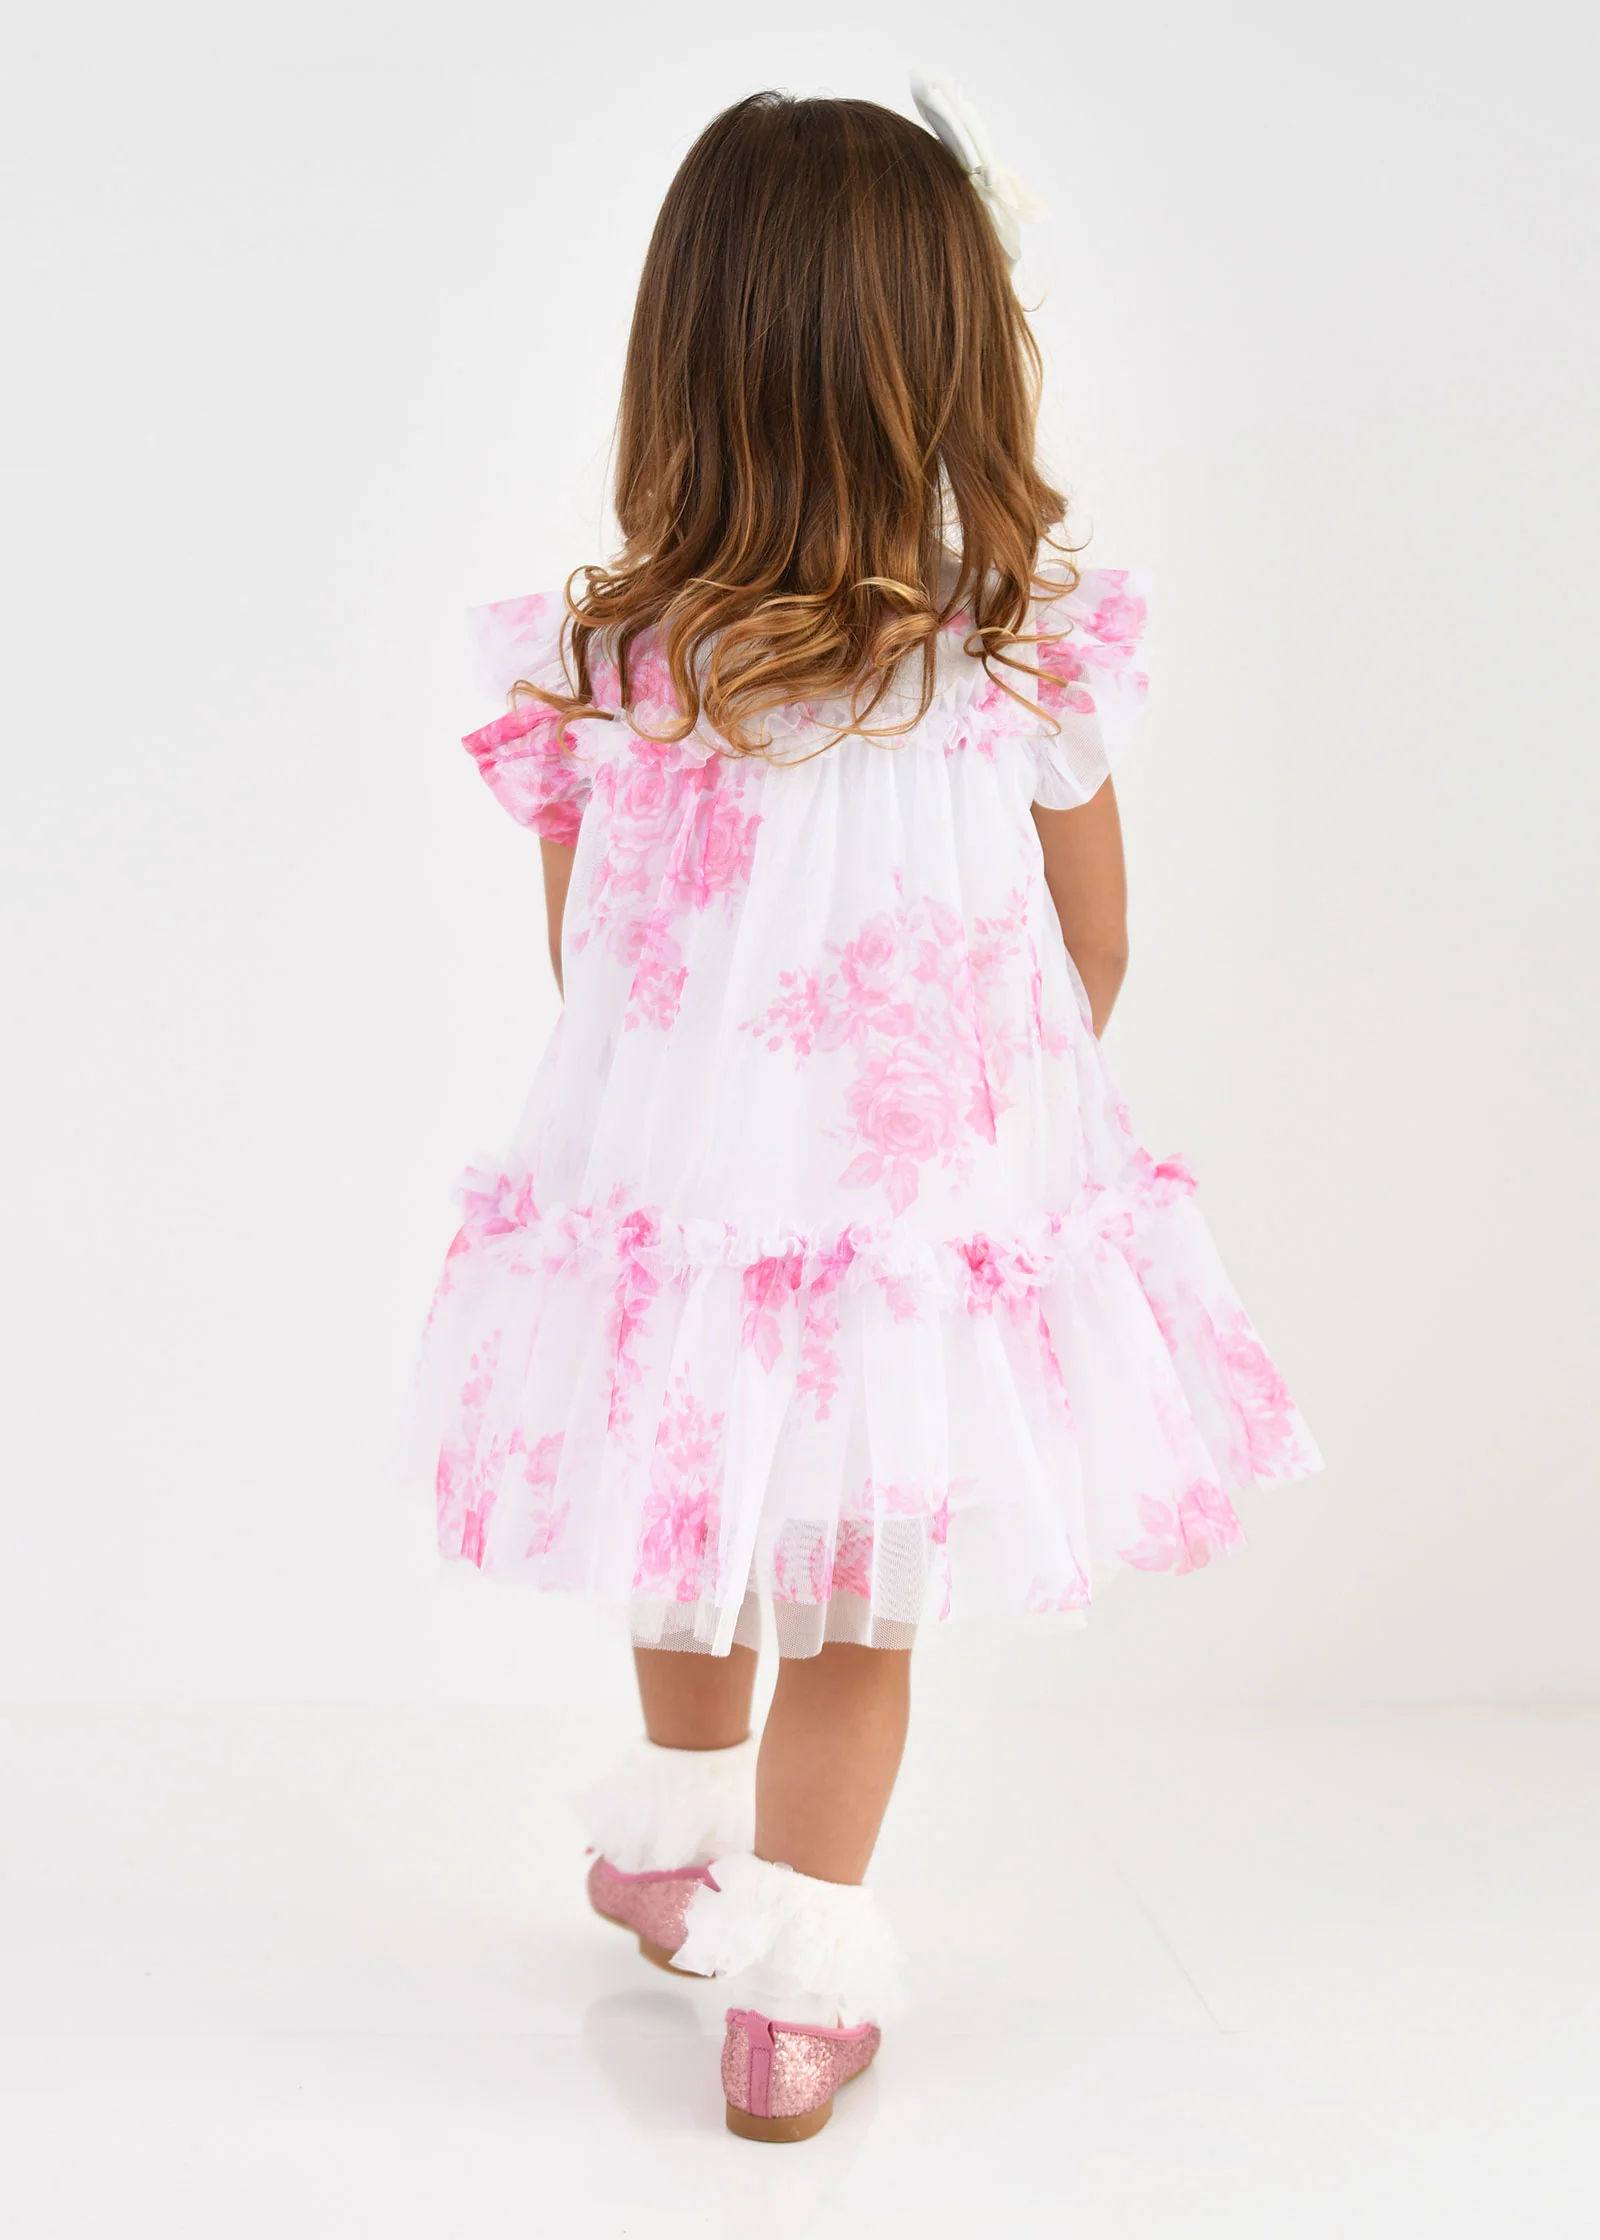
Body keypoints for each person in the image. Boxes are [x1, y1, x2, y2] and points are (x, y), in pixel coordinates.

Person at [416, 80, 1321, 2143]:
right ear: (957, 354)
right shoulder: (1014, 661)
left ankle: (670, 1847)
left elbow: (597, 972)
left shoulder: (612, 662)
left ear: (687, 357)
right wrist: (985, 1131)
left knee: (692, 1514)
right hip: (907, 1221)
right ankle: (797, 1988)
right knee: (853, 1597)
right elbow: (1093, 946)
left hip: (685, 1200)